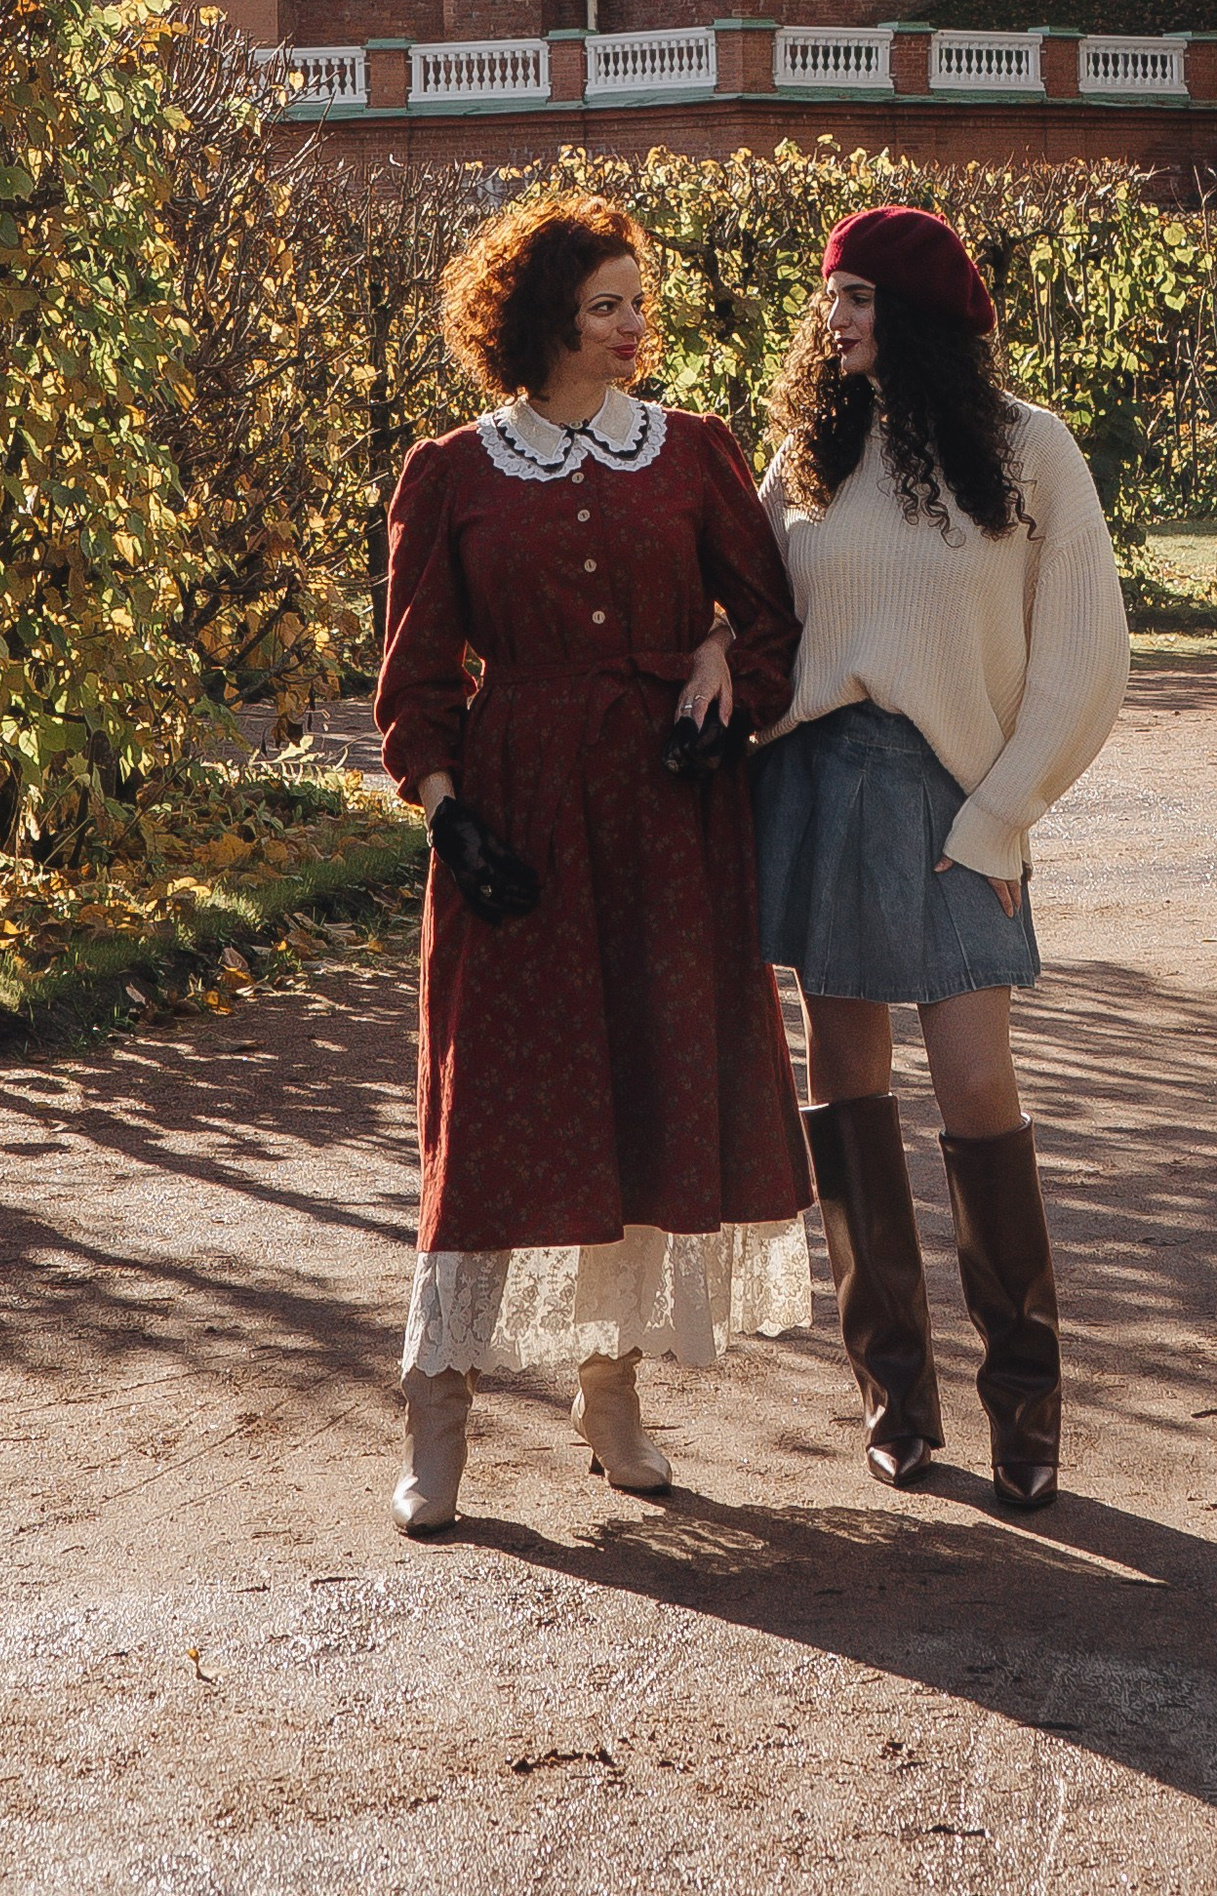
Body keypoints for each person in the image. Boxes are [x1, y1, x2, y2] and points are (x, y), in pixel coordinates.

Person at [374, 187, 813, 1536]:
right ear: (544, 318)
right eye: (607, 304)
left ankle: (609, 1394)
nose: (635, 327)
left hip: (668, 823)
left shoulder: (694, 452)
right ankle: (435, 1408)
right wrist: (446, 810)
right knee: (495, 1105)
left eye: (639, 301)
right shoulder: (452, 470)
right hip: (514, 814)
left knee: (644, 1092)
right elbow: (417, 673)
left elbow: (774, 621)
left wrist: (719, 669)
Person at [750, 203, 1131, 1510]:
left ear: (915, 314)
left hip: (958, 805)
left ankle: (1026, 1408)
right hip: (818, 789)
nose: (836, 321)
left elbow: (1089, 655)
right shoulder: (808, 455)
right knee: (845, 1079)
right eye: (832, 300)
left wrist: (1002, 816)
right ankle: (894, 1396)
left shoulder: (1031, 453)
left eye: (857, 299)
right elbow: (745, 615)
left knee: (976, 1082)